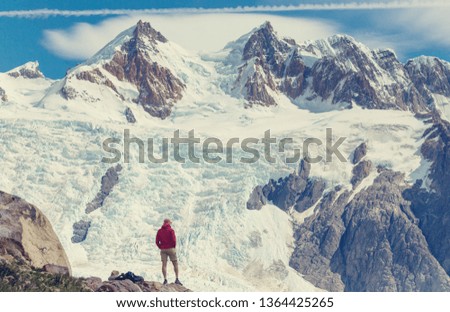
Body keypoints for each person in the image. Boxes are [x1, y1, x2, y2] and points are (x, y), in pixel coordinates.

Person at [155, 218, 182, 286]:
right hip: (171, 249)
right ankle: (177, 278)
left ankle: (165, 279)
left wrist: (160, 247)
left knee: (164, 265)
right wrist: (173, 246)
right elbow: (174, 240)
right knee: (175, 263)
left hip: (163, 249)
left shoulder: (159, 231)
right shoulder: (171, 230)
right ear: (169, 223)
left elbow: (157, 241)